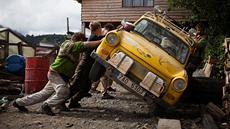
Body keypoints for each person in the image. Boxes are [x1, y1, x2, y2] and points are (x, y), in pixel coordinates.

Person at [12, 32, 102, 115]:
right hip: (56, 73)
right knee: (64, 92)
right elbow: (82, 45)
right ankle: (47, 105)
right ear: (76, 40)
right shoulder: (68, 44)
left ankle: (18, 102)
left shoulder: (74, 50)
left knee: (43, 94)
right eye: (82, 41)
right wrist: (100, 41)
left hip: (59, 75)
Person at [68, 21, 105, 108]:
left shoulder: (95, 37)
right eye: (101, 28)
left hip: (87, 65)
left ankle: (74, 101)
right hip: (84, 65)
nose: (102, 30)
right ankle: (60, 101)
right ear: (98, 28)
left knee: (86, 87)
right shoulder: (94, 37)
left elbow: (103, 38)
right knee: (76, 86)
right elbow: (102, 40)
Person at [90, 23, 116, 98]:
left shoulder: (101, 36)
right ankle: (103, 93)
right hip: (101, 58)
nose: (102, 30)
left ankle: (95, 88)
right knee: (103, 75)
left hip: (100, 58)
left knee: (101, 74)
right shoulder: (103, 37)